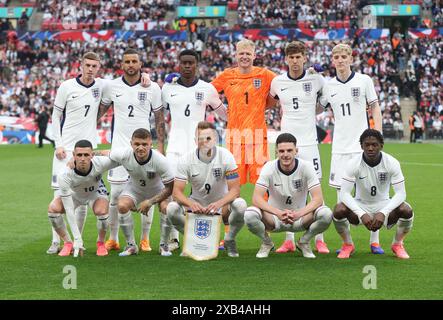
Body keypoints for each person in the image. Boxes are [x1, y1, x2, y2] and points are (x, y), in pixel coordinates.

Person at [319, 43, 385, 254]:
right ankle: (347, 243)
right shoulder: (329, 86)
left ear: (351, 58)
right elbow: (317, 107)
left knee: (371, 194)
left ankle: (375, 241)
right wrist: (313, 80)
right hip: (339, 148)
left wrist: (378, 134)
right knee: (341, 198)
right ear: (333, 60)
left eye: (343, 56)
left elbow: (374, 107)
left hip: (363, 147)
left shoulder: (364, 80)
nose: (340, 60)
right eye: (336, 56)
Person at [100, 48, 165, 253]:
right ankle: (113, 238)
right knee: (116, 196)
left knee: (148, 192)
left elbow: (160, 118)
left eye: (134, 61)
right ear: (122, 64)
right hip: (120, 149)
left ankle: (145, 239)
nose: (130, 65)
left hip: (145, 151)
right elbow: (98, 111)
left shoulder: (152, 87)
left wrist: (161, 145)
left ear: (140, 64)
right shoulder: (111, 86)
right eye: (126, 61)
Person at [162, 49, 226, 251]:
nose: (187, 66)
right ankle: (171, 239)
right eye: (184, 63)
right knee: (172, 195)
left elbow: (224, 114)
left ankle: (205, 237)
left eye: (191, 63)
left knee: (201, 193)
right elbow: (158, 116)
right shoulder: (167, 88)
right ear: (179, 64)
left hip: (200, 150)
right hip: (174, 149)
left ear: (197, 64)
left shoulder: (207, 88)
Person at [269, 41, 330, 254]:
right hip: (286, 141)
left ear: (305, 57)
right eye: (291, 57)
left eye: (298, 57)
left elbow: (323, 104)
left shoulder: (316, 79)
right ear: (286, 59)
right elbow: (270, 102)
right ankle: (288, 239)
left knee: (315, 187)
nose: (295, 61)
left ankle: (319, 239)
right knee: (286, 188)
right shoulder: (277, 82)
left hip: (310, 141)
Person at [47, 52, 105, 254]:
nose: (90, 69)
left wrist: (147, 78)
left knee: (82, 197)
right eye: (87, 65)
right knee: (59, 195)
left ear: (99, 67)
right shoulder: (66, 86)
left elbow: (123, 83)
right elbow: (55, 115)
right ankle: (58, 241)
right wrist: (59, 144)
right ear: (81, 65)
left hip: (88, 150)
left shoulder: (101, 86)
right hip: (66, 149)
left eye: (94, 66)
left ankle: (77, 242)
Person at [244, 133, 333, 259]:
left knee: (326, 213)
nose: (285, 154)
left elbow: (318, 199)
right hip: (274, 219)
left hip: (300, 219)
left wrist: (299, 214)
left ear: (296, 151)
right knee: (249, 214)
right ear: (276, 152)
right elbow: (256, 199)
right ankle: (267, 242)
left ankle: (304, 241)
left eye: (289, 150)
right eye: (281, 151)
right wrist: (278, 213)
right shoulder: (269, 167)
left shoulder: (306, 167)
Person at [166, 121, 247, 258]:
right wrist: (191, 204)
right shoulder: (186, 159)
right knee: (171, 208)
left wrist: (218, 204)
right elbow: (176, 192)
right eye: (200, 138)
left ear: (215, 138)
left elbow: (235, 190)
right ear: (195, 140)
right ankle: (192, 240)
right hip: (196, 203)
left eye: (208, 138)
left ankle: (229, 239)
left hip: (220, 204)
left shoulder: (226, 156)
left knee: (241, 205)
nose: (204, 142)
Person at [333, 129, 414, 259]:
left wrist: (383, 212)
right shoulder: (353, 163)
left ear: (381, 145)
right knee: (338, 209)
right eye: (367, 145)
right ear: (361, 146)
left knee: (406, 209)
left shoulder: (391, 162)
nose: (370, 148)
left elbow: (401, 194)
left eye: (374, 144)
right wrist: (361, 214)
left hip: (384, 205)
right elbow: (344, 194)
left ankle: (397, 244)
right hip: (361, 206)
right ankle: (348, 244)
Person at [211, 39, 277, 187]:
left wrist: (264, 105)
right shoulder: (227, 75)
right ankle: (235, 210)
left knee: (262, 181)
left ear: (254, 56)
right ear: (236, 55)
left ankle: (261, 210)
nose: (244, 57)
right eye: (241, 53)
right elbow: (208, 92)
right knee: (233, 182)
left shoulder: (265, 75)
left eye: (248, 53)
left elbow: (283, 85)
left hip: (258, 136)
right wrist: (222, 110)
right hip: (235, 136)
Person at [106, 128, 174, 257]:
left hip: (157, 190)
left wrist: (150, 202)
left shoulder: (160, 160)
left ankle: (163, 245)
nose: (140, 148)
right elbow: (106, 153)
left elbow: (170, 188)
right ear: (131, 144)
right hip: (135, 189)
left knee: (166, 207)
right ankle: (131, 246)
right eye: (137, 144)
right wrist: (85, 155)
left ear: (150, 144)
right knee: (121, 205)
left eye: (144, 144)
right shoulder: (124, 154)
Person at [48, 140, 117, 257]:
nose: (83, 158)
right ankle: (67, 243)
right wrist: (77, 239)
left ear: (92, 155)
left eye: (86, 155)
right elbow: (69, 210)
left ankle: (100, 243)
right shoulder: (64, 174)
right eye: (79, 155)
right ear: (74, 155)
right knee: (53, 210)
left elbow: (123, 157)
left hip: (95, 193)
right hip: (75, 194)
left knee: (102, 212)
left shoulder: (100, 162)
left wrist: (102, 152)